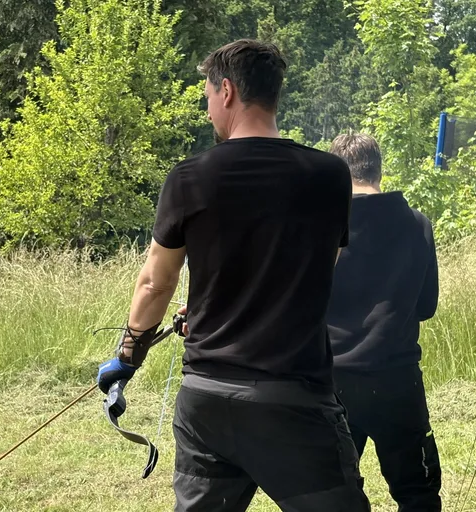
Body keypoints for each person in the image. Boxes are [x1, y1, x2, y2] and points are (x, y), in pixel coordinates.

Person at [97, 39, 371, 512]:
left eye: (206, 96)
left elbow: (154, 283)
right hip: (294, 400)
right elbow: (317, 267)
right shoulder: (329, 175)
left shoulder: (190, 177)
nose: (207, 110)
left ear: (227, 91)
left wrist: (129, 352)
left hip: (209, 401)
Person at [325, 132, 443, 511]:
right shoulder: (417, 223)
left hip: (330, 378)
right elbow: (426, 306)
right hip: (397, 377)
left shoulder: (321, 225)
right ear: (378, 170)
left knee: (334, 493)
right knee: (417, 492)